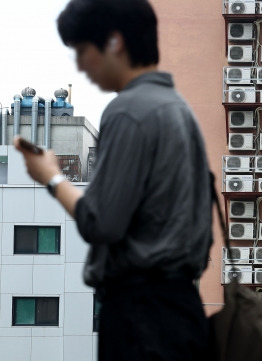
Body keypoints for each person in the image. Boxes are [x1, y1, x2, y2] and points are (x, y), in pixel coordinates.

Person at [14, 0, 213, 360]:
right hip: (182, 310)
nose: (79, 65)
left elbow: (101, 222)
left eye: (82, 50)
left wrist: (51, 177)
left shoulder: (130, 111)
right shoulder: (179, 110)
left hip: (141, 318)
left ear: (114, 43)